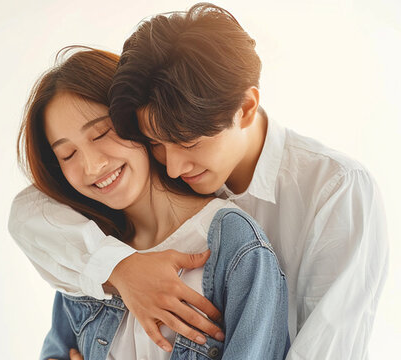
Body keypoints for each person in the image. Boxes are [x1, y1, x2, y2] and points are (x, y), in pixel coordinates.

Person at [9, 3, 388, 359]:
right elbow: (28, 212)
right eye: (155, 143)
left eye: (188, 143)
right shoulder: (101, 231)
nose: (172, 168)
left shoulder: (334, 188)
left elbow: (329, 347)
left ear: (246, 108)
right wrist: (119, 268)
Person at [17, 46, 289, 359]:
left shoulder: (232, 242)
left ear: (136, 119)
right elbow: (57, 350)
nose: (91, 166)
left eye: (101, 133)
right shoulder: (89, 248)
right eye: (68, 154)